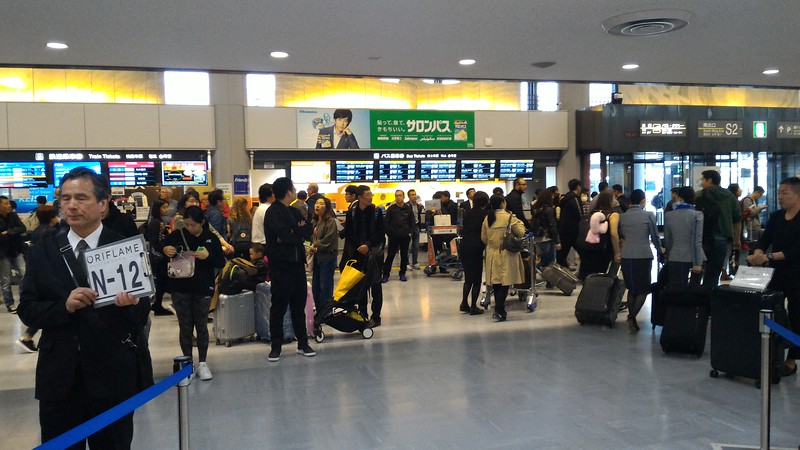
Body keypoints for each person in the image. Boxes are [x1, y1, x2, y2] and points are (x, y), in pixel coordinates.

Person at [18, 167, 152, 449]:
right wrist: (64, 306)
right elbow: (28, 310)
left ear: (103, 204)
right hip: (60, 377)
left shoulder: (124, 247)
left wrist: (130, 304)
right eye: (65, 198)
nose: (71, 206)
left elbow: (141, 315)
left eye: (81, 198)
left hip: (111, 374)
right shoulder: (43, 251)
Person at [163, 206, 225, 380]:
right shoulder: (177, 235)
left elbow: (221, 262)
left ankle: (203, 363)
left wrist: (208, 256)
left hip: (202, 287)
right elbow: (161, 248)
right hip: (180, 287)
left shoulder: (211, 238)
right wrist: (165, 249)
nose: (189, 228)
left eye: (193, 225)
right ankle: (187, 364)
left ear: (202, 222)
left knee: (201, 325)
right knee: (185, 326)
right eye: (187, 224)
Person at [747, 177, 800, 377]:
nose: (780, 197)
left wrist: (768, 256)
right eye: (779, 193)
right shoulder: (777, 217)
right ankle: (771, 354)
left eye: (785, 193)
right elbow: (765, 239)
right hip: (776, 274)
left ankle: (792, 359)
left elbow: (796, 251)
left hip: (797, 276)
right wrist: (758, 251)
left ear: (798, 195)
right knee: (770, 312)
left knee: (796, 316)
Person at [264, 178, 315, 361]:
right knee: (278, 306)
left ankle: (303, 343)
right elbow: (283, 236)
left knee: (298, 306)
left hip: (297, 265)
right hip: (281, 266)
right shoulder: (273, 212)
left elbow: (307, 231)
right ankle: (275, 346)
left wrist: (294, 232)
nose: (294, 191)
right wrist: (294, 232)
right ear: (288, 192)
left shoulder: (294, 211)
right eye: (293, 188)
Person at [15, 205, 60, 353]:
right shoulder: (52, 232)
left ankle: (27, 337)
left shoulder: (37, 231)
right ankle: (26, 337)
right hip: (51, 273)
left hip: (40, 273)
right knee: (49, 307)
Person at [618, 189, 663, 333]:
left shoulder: (622, 217)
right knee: (643, 289)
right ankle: (631, 317)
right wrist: (660, 250)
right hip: (643, 255)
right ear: (643, 201)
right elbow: (654, 236)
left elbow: (621, 234)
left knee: (632, 288)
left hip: (626, 255)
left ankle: (632, 318)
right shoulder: (648, 215)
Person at [342, 185, 385, 328]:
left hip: (374, 254)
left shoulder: (377, 212)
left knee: (375, 285)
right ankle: (362, 314)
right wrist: (359, 247)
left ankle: (376, 316)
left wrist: (368, 245)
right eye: (367, 194)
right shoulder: (352, 212)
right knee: (360, 285)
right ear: (360, 197)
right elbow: (348, 233)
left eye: (371, 194)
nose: (371, 196)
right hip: (357, 254)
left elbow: (381, 232)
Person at [481, 194, 525, 321]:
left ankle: (499, 309)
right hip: (506, 253)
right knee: (505, 281)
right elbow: (521, 232)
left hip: (491, 253)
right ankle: (499, 309)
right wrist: (521, 224)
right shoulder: (510, 217)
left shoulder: (487, 218)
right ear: (502, 203)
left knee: (496, 282)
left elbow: (483, 238)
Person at [695, 169, 742, 288]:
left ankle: (696, 297)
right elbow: (737, 220)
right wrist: (737, 239)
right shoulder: (730, 196)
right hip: (722, 240)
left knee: (698, 271)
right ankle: (710, 296)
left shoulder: (699, 195)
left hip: (703, 238)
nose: (701, 182)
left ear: (709, 180)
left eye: (703, 179)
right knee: (714, 273)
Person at [664, 186, 705, 291]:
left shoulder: (669, 215)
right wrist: (697, 263)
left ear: (679, 197)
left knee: (676, 290)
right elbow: (697, 240)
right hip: (694, 257)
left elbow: (668, 239)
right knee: (694, 291)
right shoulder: (697, 215)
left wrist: (670, 254)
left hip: (675, 256)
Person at [579, 190, 621, 280]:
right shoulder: (613, 214)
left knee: (588, 277)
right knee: (601, 277)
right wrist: (617, 252)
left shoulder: (591, 213)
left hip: (587, 248)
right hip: (603, 250)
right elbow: (613, 233)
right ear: (610, 201)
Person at [459, 191, 489, 315]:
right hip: (476, 248)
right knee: (476, 279)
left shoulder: (467, 213)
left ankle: (464, 303)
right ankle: (473, 307)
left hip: (464, 246)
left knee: (468, 278)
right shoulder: (485, 215)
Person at [309, 197, 338, 310]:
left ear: (326, 207)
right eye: (316, 203)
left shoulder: (330, 221)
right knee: (316, 287)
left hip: (327, 258)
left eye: (321, 203)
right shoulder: (315, 222)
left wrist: (315, 245)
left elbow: (329, 239)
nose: (317, 205)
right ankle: (319, 311)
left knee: (325, 287)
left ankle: (326, 312)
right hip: (317, 258)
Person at [146, 200, 173, 316]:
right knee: (162, 281)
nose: (166, 210)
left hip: (158, 255)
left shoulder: (159, 221)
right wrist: (163, 248)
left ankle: (157, 304)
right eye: (164, 207)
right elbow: (155, 240)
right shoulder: (155, 222)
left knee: (162, 282)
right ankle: (157, 305)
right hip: (158, 256)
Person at [0, 195, 26, 313]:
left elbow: (22, 228)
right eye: (5, 204)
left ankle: (24, 300)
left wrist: (8, 232)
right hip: (3, 253)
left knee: (24, 273)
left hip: (16, 250)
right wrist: (12, 232)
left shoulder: (13, 215)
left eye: (9, 203)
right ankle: (9, 303)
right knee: (5, 280)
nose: (9, 206)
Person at [382, 190, 414, 283]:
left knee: (404, 256)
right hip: (394, 236)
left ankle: (402, 273)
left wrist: (410, 232)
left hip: (405, 236)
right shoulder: (391, 209)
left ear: (403, 197)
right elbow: (386, 222)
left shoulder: (408, 208)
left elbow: (412, 221)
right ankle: (386, 274)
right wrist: (389, 233)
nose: (398, 197)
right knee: (390, 256)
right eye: (396, 196)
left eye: (400, 195)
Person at [531, 189, 561, 274]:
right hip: (547, 238)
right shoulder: (548, 210)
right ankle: (547, 277)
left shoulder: (536, 209)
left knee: (543, 259)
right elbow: (552, 226)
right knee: (550, 261)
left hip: (538, 237)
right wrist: (557, 241)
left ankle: (534, 272)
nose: (553, 197)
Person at [557, 179, 583, 268]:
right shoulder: (574, 199)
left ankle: (561, 272)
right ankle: (584, 273)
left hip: (564, 230)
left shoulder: (565, 198)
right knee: (583, 252)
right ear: (578, 187)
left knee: (561, 255)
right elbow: (579, 215)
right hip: (574, 231)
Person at [406, 189, 425, 270]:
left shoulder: (418, 205)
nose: (414, 196)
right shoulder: (406, 206)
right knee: (408, 247)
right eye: (412, 195)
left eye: (415, 194)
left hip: (416, 226)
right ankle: (406, 263)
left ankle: (415, 262)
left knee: (416, 246)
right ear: (409, 196)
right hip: (409, 227)